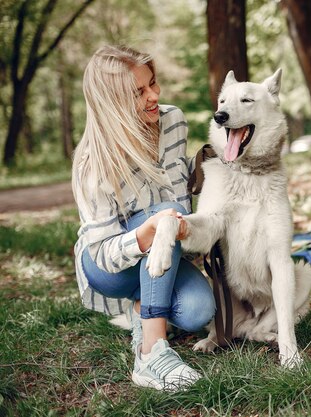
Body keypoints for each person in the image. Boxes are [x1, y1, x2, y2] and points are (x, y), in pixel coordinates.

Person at [71, 45, 215, 391]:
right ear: (112, 103)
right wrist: (147, 234)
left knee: (198, 311)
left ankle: (142, 304)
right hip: (110, 269)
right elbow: (102, 252)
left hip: (163, 250)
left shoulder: (173, 121)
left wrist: (212, 163)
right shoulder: (93, 162)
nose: (153, 95)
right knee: (166, 216)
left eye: (153, 83)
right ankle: (151, 353)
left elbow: (177, 182)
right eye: (139, 92)